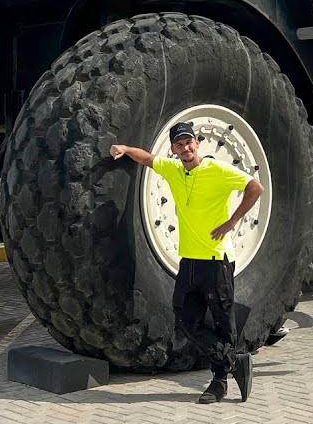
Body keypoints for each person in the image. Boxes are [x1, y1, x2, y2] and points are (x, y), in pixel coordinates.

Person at [110, 122, 265, 404]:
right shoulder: (173, 169)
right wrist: (123, 148)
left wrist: (232, 221)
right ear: (174, 149)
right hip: (189, 262)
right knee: (185, 320)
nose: (186, 148)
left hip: (216, 263)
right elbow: (146, 158)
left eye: (189, 142)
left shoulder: (217, 170)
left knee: (222, 325)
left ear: (197, 143)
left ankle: (219, 383)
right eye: (179, 145)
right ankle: (234, 360)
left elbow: (255, 187)